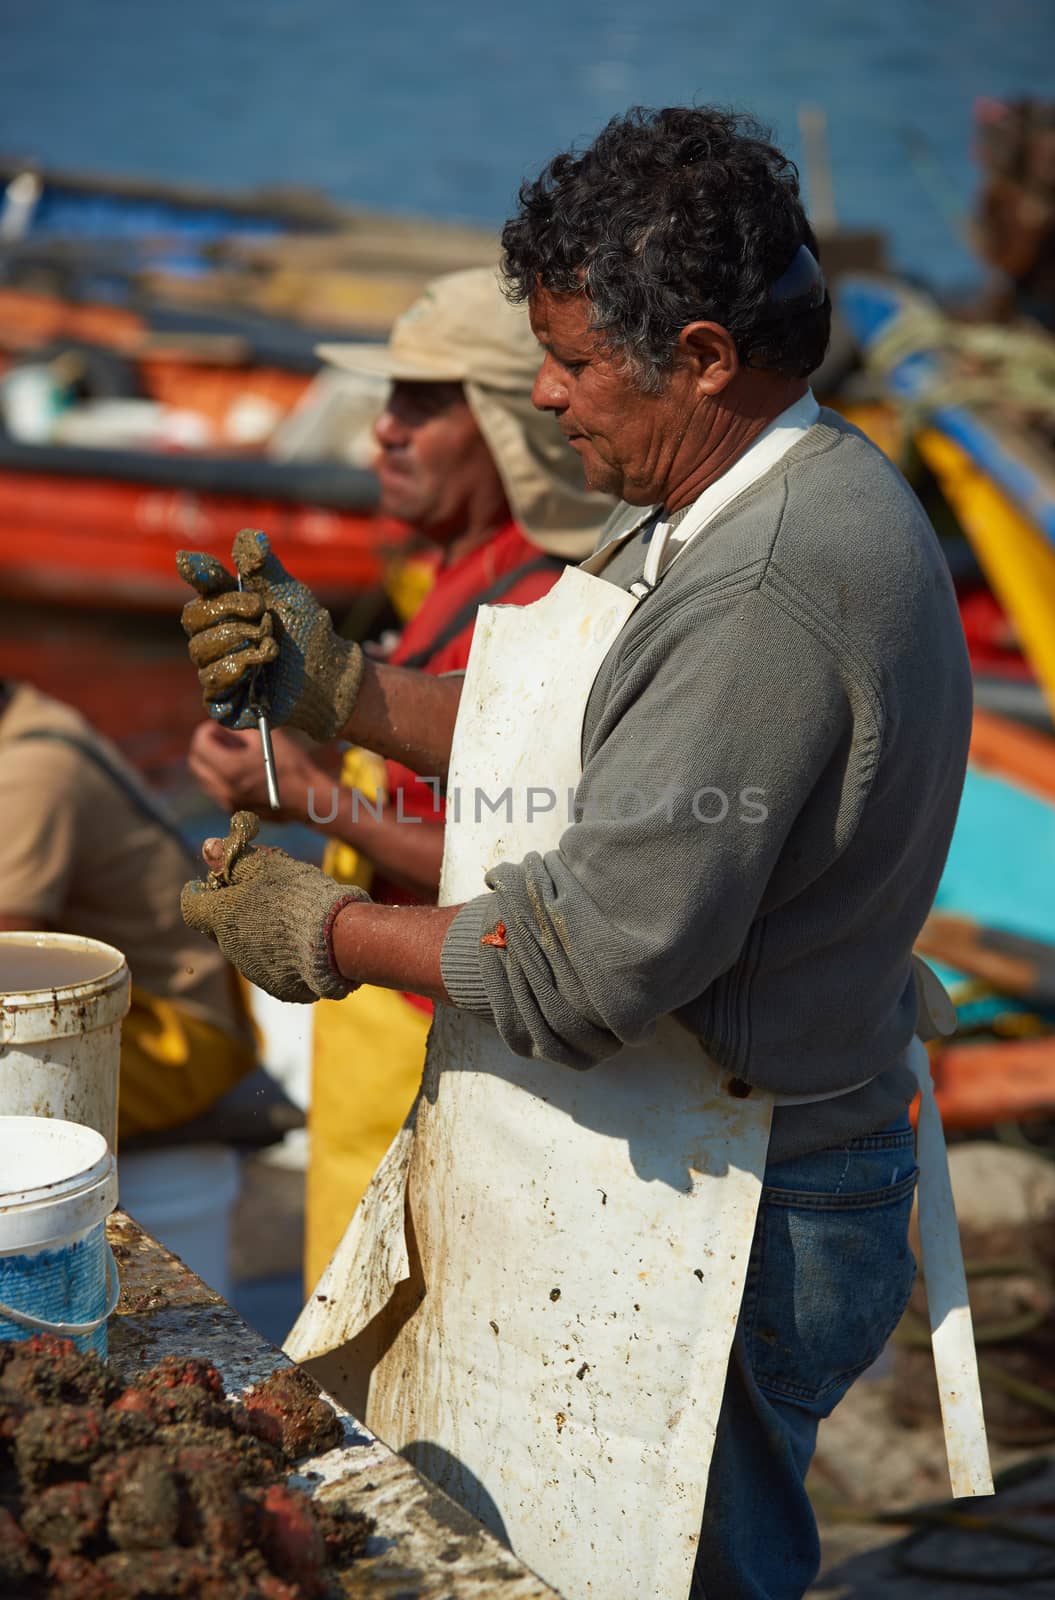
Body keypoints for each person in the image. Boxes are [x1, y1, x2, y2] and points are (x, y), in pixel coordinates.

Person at [176, 108, 984, 1600]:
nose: (541, 396)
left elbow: (580, 958)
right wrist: (339, 685)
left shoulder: (766, 582)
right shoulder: (750, 486)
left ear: (697, 354)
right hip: (711, 1159)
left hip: (749, 1208)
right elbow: (575, 724)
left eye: (570, 361)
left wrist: (328, 932)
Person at [185, 266, 612, 1287]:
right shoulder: (442, 580)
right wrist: (289, 765)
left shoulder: (529, 610)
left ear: (509, 427)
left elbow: (509, 864)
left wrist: (304, 793)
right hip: (373, 1042)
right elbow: (439, 790)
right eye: (389, 401)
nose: (383, 430)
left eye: (424, 404)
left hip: (433, 1051)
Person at [0, 678, 256, 1141]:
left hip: (177, 1034)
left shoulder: (28, 773)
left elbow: (8, 967)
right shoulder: (26, 713)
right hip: (125, 1006)